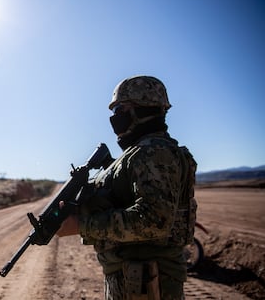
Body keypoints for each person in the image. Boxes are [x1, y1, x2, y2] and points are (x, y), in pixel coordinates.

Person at [57, 75, 197, 300]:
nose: (115, 117)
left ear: (142, 109)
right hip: (133, 277)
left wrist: (83, 225)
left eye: (120, 108)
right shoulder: (139, 152)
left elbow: (154, 220)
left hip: (148, 281)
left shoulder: (154, 152)